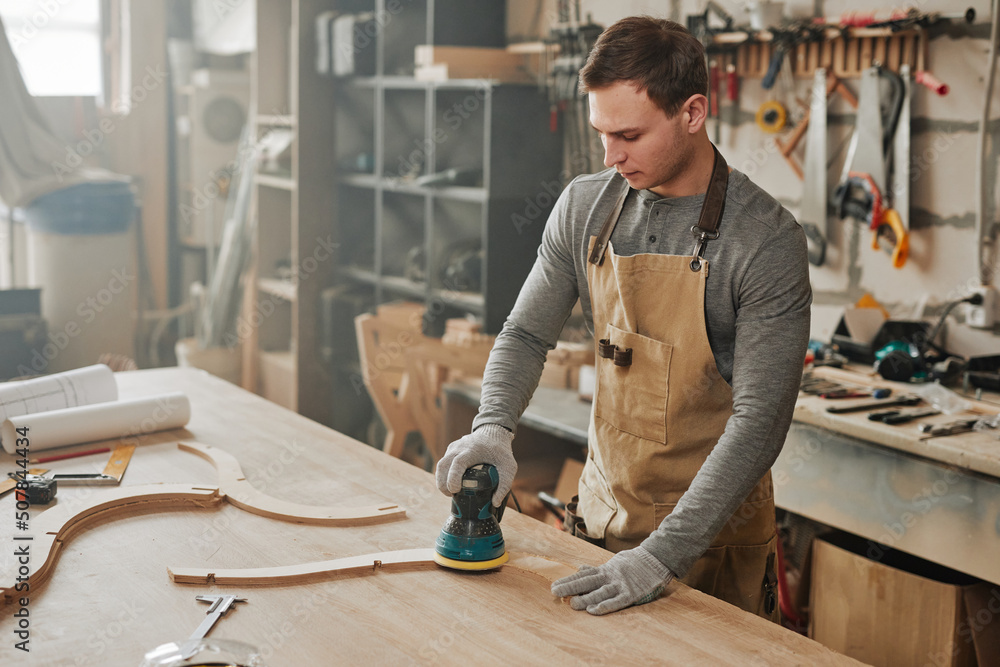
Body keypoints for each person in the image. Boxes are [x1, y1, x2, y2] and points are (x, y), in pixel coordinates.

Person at [435, 16, 811, 618]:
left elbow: (760, 423)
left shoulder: (765, 241)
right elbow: (526, 333)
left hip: (709, 550)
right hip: (601, 520)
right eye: (600, 133)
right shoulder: (585, 206)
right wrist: (493, 427)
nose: (610, 157)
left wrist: (660, 557)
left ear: (692, 113)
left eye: (629, 135)